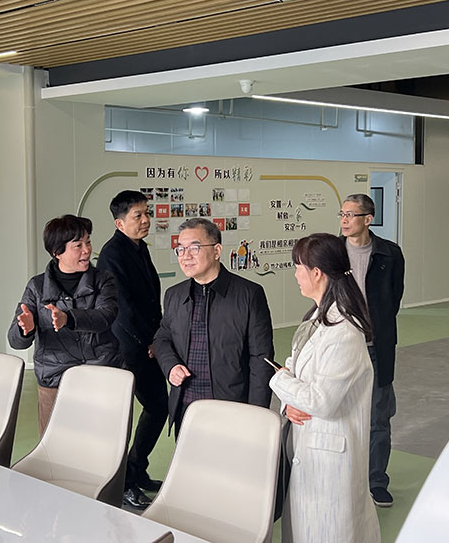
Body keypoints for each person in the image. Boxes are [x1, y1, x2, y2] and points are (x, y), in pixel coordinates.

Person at [270, 233, 381, 543]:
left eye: (298, 267)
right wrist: (288, 404)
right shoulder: (317, 320)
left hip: (331, 460)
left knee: (329, 531)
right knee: (306, 529)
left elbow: (321, 400)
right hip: (308, 448)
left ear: (316, 272)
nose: (295, 275)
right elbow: (297, 374)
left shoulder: (343, 331)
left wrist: (278, 379)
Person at [152, 217, 275, 434]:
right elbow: (162, 338)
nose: (186, 256)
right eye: (180, 249)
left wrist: (257, 414)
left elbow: (261, 359)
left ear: (217, 251)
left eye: (195, 248)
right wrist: (170, 366)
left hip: (231, 407)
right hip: (187, 406)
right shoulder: (174, 295)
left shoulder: (249, 294)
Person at [8, 215, 121, 435]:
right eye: (78, 245)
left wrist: (68, 318)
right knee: (53, 446)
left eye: (88, 242)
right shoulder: (37, 287)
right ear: (57, 251)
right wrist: (25, 330)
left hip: (100, 373)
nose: (86, 250)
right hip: (55, 378)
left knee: (103, 444)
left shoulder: (103, 280)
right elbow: (15, 341)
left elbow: (105, 317)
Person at [97, 190, 167, 509]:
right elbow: (123, 308)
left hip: (148, 343)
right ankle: (125, 482)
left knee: (158, 406)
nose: (146, 220)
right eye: (138, 215)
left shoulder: (139, 248)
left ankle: (136, 471)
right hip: (129, 347)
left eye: (146, 213)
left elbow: (151, 297)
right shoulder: (112, 254)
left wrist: (159, 335)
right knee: (140, 411)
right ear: (120, 223)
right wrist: (149, 340)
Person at [340, 193, 404, 507]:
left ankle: (376, 481)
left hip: (377, 346)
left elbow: (394, 298)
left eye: (351, 214)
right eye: (342, 214)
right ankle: (344, 477)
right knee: (340, 413)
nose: (344, 220)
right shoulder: (333, 252)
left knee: (379, 417)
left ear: (368, 219)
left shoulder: (390, 254)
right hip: (341, 347)